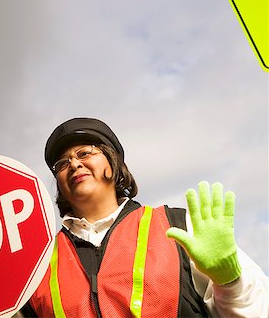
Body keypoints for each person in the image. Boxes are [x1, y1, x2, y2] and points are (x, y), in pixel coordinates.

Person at [21, 117, 268, 317]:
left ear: (112, 161)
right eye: (62, 163)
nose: (74, 164)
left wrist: (230, 282)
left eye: (85, 153)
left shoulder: (179, 227)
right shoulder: (40, 266)